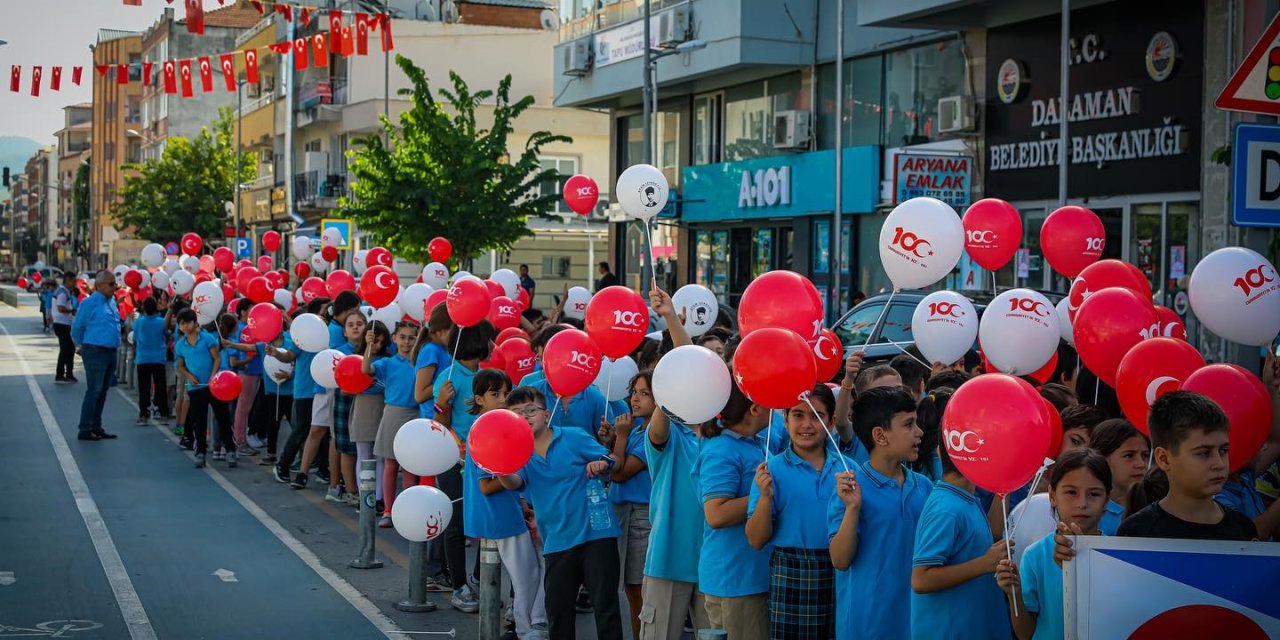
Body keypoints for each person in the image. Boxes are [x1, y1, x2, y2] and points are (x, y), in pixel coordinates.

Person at [497, 386, 624, 640]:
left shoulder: (573, 436)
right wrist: (499, 466)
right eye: (517, 413)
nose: (525, 416)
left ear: (546, 414)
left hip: (596, 535)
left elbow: (613, 462)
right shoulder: (518, 454)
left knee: (606, 609)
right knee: (558, 614)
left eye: (531, 410)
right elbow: (514, 483)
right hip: (556, 542)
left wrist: (602, 462)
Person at [632, 286, 709, 640]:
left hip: (714, 563)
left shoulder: (721, 436)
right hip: (667, 562)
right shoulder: (667, 433)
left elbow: (692, 365)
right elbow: (683, 369)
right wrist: (668, 320)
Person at [829, 387, 933, 640]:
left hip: (918, 622)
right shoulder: (850, 490)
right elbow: (840, 560)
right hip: (867, 625)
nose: (919, 432)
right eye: (908, 424)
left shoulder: (924, 486)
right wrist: (853, 508)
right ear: (880, 435)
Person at [746, 384, 848, 640]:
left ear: (832, 422)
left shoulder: (848, 470)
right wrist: (765, 498)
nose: (807, 424)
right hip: (790, 571)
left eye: (817, 416)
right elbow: (756, 540)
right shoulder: (770, 471)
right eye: (798, 415)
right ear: (785, 419)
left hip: (840, 570)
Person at [463, 370, 549, 639]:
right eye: (495, 394)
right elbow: (486, 486)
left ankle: (535, 622)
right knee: (526, 577)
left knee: (534, 571)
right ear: (479, 399)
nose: (502, 399)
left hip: (507, 512)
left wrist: (519, 497)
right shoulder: (487, 430)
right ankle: (527, 629)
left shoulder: (493, 426)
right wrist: (512, 475)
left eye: (505, 393)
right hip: (498, 516)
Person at [1109, 392, 1258, 541]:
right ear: (1164, 459)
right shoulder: (1137, 532)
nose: (1219, 464)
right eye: (1204, 453)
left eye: (1223, 451)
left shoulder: (1243, 529)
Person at [996, 449, 1112, 640]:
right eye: (1071, 492)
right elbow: (1026, 635)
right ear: (1052, 496)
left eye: (1094, 494)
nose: (1082, 503)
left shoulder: (1114, 556)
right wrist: (1014, 594)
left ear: (1107, 500)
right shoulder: (1035, 555)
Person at [910, 420, 1010, 640]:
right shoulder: (946, 509)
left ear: (939, 452)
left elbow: (991, 533)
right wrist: (984, 564)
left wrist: (1006, 483)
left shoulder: (965, 497)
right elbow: (921, 579)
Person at [693, 381, 771, 640]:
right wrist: (765, 495)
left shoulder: (753, 441)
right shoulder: (722, 449)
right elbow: (716, 514)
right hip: (735, 579)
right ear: (755, 409)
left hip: (753, 574)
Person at [433, 320, 498, 610]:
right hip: (454, 458)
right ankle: (459, 586)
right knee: (456, 522)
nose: (493, 345)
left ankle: (480, 578)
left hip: (487, 456)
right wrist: (442, 402)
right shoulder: (449, 377)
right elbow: (439, 426)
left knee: (487, 520)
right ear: (476, 341)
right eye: (489, 339)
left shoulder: (486, 375)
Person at [596, 370, 654, 639]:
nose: (635, 399)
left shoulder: (652, 434)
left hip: (640, 516)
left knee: (639, 590)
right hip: (622, 512)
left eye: (645, 393)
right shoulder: (638, 429)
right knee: (632, 590)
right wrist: (613, 440)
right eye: (634, 392)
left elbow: (619, 473)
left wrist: (620, 437)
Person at [270, 298, 329, 487]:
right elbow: (289, 356)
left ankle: (322, 468)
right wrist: (276, 353)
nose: (326, 315)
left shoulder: (330, 334)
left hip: (322, 388)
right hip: (305, 390)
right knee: (302, 430)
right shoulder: (306, 333)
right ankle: (282, 465)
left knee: (324, 432)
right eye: (323, 311)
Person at [174, 308, 236, 468]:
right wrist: (189, 376)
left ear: (195, 323)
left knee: (223, 418)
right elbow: (180, 366)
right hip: (195, 388)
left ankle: (230, 450)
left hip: (214, 386)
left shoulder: (207, 338)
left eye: (187, 322)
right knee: (198, 422)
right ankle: (200, 452)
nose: (185, 326)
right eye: (181, 323)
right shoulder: (180, 345)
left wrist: (213, 376)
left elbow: (216, 358)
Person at [70, 270, 121, 441]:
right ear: (99, 285)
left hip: (110, 351)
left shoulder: (112, 301)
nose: (115, 287)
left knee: (103, 391)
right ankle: (85, 427)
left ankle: (96, 426)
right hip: (95, 350)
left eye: (115, 283)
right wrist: (81, 346)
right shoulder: (89, 303)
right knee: (94, 390)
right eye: (111, 284)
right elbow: (77, 327)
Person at [326, 311, 367, 505]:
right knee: (346, 447)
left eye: (360, 323)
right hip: (344, 399)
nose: (356, 327)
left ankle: (361, 487)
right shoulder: (339, 352)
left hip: (365, 402)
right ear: (344, 332)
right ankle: (350, 490)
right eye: (351, 325)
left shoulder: (370, 350)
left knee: (362, 447)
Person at [1089, 419, 1150, 535]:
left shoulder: (1155, 508)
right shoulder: (1088, 512)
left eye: (1145, 456)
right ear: (1102, 459)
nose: (1141, 464)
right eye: (1129, 455)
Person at [229, 299, 263, 456]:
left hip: (255, 371)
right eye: (251, 308)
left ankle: (241, 438)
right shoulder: (241, 329)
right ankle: (240, 440)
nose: (254, 311)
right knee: (243, 408)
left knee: (246, 408)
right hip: (247, 372)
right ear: (243, 311)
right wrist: (246, 361)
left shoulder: (251, 327)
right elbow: (237, 352)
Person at [133, 297, 170, 424]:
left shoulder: (139, 322)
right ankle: (163, 413)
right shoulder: (161, 322)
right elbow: (166, 334)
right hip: (159, 358)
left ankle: (144, 414)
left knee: (144, 387)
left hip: (143, 358)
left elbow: (135, 338)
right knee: (160, 387)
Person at [52, 272, 77, 383]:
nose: (75, 284)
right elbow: (61, 308)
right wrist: (72, 311)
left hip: (64, 324)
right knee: (65, 350)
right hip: (62, 324)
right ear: (68, 280)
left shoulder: (63, 291)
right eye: (73, 281)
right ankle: (60, 374)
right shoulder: (62, 293)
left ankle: (69, 374)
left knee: (69, 349)